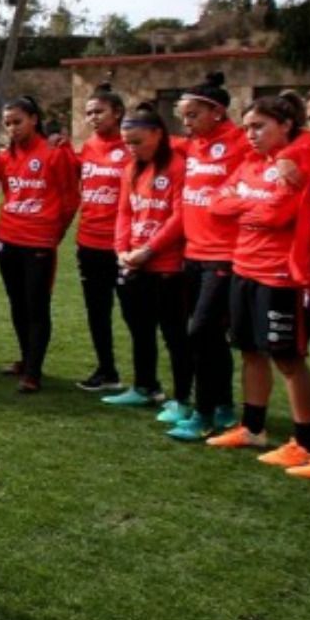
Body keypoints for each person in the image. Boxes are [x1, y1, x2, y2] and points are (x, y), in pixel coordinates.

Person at [202, 93, 310, 459]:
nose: (251, 135)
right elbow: (216, 204)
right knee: (250, 352)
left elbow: (278, 215)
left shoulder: (295, 163)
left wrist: (243, 206)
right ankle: (253, 428)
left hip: (279, 275)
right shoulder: (251, 163)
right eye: (247, 128)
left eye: (259, 126)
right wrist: (253, 204)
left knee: (287, 359)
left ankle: (305, 442)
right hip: (243, 267)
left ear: (285, 125)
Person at [164, 71, 247, 440]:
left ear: (217, 112)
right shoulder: (191, 145)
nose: (186, 122)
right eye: (183, 116)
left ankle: (203, 413)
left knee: (200, 333)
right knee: (209, 336)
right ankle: (224, 405)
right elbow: (150, 140)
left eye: (193, 115)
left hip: (224, 256)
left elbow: (292, 150)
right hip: (192, 254)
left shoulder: (241, 142)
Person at [105, 102, 190, 410]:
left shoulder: (178, 166)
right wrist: (122, 250)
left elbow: (180, 216)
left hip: (166, 265)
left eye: (137, 142)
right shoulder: (131, 169)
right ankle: (145, 387)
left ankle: (183, 398)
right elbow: (124, 212)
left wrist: (150, 249)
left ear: (157, 134)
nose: (132, 149)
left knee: (174, 334)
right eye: (127, 143)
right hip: (134, 263)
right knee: (140, 330)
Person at [0, 95, 78, 394]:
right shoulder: (5, 156)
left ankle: (33, 372)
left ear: (33, 119)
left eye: (17, 121)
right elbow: (9, 192)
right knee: (17, 304)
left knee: (37, 306)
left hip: (39, 241)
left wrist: (55, 232)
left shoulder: (54, 153)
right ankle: (26, 359)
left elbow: (70, 200)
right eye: (7, 123)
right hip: (7, 238)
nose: (12, 128)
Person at [73, 81, 131, 392]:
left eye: (99, 111)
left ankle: (147, 381)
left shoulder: (132, 147)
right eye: (89, 113)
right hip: (89, 242)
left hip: (123, 247)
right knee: (97, 312)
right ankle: (107, 370)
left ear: (117, 112)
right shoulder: (89, 147)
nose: (93, 118)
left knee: (136, 316)